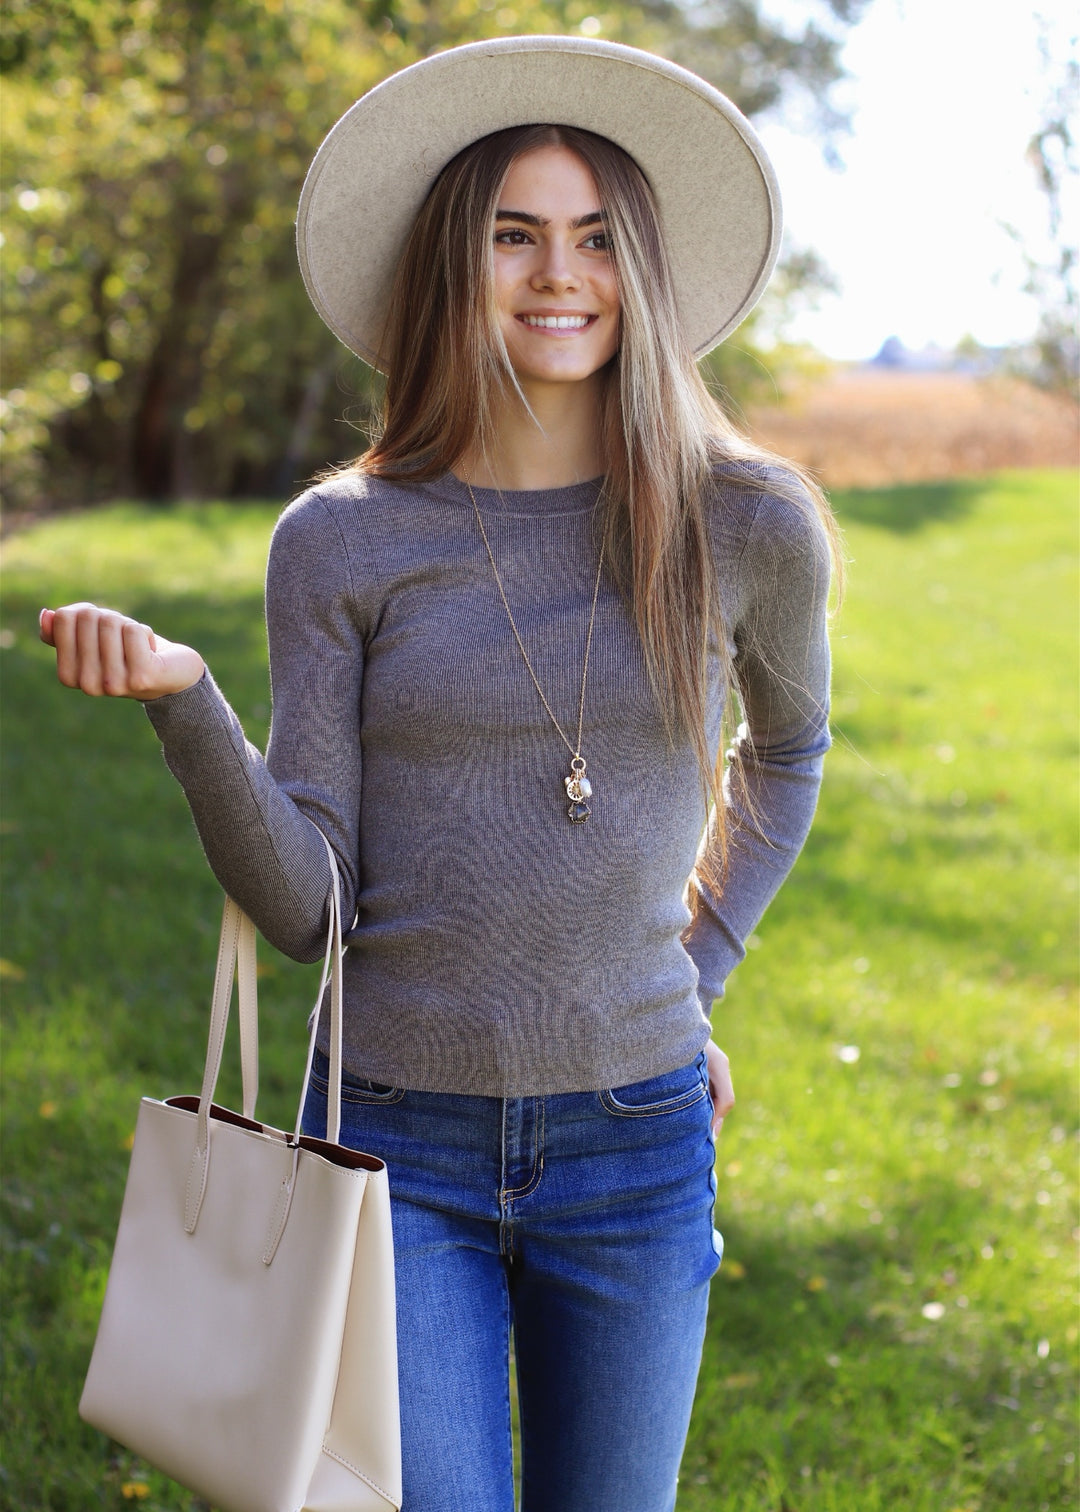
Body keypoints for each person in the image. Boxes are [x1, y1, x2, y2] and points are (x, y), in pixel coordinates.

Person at [40, 37, 837, 1512]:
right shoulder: (342, 541)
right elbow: (305, 906)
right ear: (453, 267)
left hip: (641, 1142)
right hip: (397, 1142)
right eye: (514, 235)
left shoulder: (749, 524)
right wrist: (188, 701)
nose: (560, 275)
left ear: (642, 267)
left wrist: (693, 970)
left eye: (597, 238)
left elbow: (786, 756)